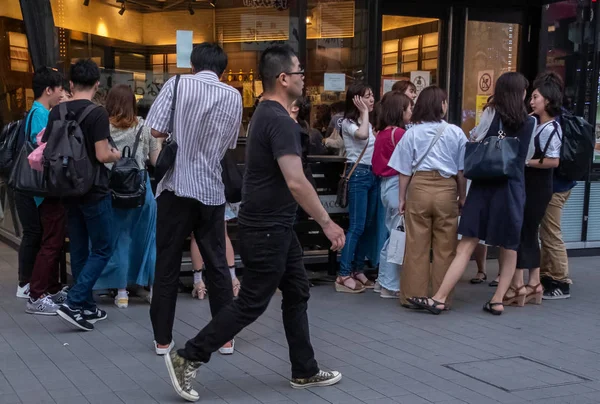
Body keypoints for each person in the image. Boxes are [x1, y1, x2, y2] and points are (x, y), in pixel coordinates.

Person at [163, 44, 345, 402]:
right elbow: (295, 181)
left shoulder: (265, 113)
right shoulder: (278, 121)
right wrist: (327, 223)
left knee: (297, 290)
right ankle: (188, 355)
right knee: (250, 302)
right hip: (267, 228)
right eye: (299, 73)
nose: (303, 79)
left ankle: (304, 370)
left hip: (274, 226)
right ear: (283, 78)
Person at [405, 73, 536, 315]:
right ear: (520, 93)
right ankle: (497, 300)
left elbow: (474, 139)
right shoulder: (529, 122)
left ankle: (439, 298)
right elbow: (527, 156)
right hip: (512, 188)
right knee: (510, 246)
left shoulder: (490, 113)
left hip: (484, 185)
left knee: (466, 244)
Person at [146, 43, 242, 356]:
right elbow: (228, 144)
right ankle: (224, 338)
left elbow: (156, 130)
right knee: (217, 264)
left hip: (175, 188)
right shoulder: (234, 95)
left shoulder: (177, 84)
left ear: (192, 65)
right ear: (223, 70)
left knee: (167, 263)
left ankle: (163, 340)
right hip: (212, 190)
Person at [48, 59, 121, 330]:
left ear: (70, 84)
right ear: (97, 84)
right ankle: (75, 298)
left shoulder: (57, 110)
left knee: (78, 248)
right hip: (93, 188)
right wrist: (116, 154)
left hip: (66, 187)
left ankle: (85, 306)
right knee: (103, 247)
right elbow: (102, 154)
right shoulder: (97, 113)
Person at [388, 86, 467, 309]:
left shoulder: (412, 133)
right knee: (445, 247)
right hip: (447, 189)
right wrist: (462, 197)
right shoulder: (456, 132)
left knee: (416, 245)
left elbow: (404, 171)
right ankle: (441, 297)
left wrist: (402, 198)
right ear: (441, 105)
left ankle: (413, 296)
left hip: (419, 188)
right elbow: (461, 172)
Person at [93, 84, 159, 309]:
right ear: (133, 103)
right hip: (141, 189)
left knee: (118, 239)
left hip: (113, 190)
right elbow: (155, 161)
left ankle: (121, 293)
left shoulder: (103, 128)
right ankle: (149, 287)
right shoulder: (145, 125)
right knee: (147, 238)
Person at [511, 73, 563, 305]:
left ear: (548, 101)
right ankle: (533, 283)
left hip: (539, 186)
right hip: (531, 185)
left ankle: (521, 284)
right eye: (531, 97)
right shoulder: (536, 124)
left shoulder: (552, 128)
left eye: (536, 97)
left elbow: (554, 160)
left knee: (525, 230)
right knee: (528, 232)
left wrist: (525, 162)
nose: (531, 102)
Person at [21, 67, 69, 315]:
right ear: (49, 90)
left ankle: (50, 288)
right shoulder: (42, 114)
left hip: (41, 189)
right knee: (51, 241)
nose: (61, 93)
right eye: (59, 89)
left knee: (52, 239)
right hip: (46, 189)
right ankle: (37, 294)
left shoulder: (35, 111)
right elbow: (46, 149)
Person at [335, 82, 377, 293]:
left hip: (372, 175)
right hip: (358, 173)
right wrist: (364, 114)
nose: (371, 100)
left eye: (372, 96)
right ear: (356, 99)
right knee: (356, 226)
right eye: (367, 96)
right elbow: (362, 136)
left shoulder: (369, 122)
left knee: (367, 225)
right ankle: (343, 274)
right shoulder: (347, 122)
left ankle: (358, 269)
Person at [371, 91, 413, 298]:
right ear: (400, 110)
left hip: (385, 186)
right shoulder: (400, 134)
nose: (411, 111)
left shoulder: (382, 133)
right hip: (398, 186)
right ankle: (389, 284)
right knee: (397, 237)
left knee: (392, 234)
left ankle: (382, 281)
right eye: (408, 108)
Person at [538, 73, 576, 300]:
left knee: (551, 233)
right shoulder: (564, 116)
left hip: (556, 185)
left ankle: (561, 280)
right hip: (563, 183)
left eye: (536, 96)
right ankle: (548, 276)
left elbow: (552, 159)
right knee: (547, 231)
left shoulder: (554, 122)